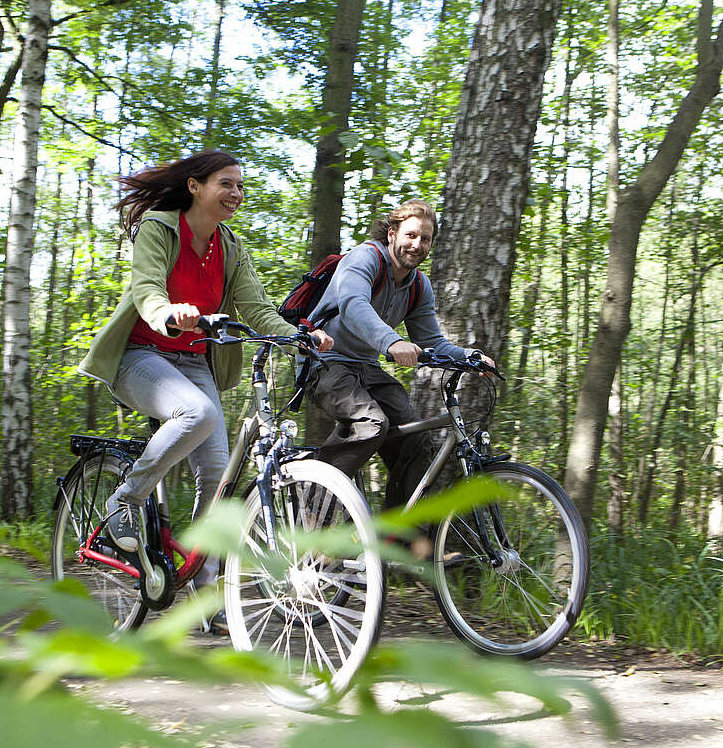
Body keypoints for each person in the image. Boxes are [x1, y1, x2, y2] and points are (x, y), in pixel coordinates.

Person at [78, 150, 332, 569]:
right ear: (195, 186)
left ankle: (203, 589)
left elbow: (259, 309)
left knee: (218, 477)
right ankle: (124, 500)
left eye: (240, 186)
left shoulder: (230, 247)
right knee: (197, 414)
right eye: (226, 184)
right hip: (140, 355)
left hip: (195, 364)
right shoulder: (159, 229)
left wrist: (298, 336)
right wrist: (168, 313)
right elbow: (146, 288)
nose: (236, 193)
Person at [304, 199, 493, 513]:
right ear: (392, 234)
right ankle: (314, 509)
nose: (417, 245)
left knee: (417, 441)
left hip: (364, 367)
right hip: (324, 361)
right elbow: (354, 306)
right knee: (370, 423)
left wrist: (468, 356)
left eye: (426, 239)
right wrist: (391, 342)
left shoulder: (418, 286)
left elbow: (431, 342)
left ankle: (399, 545)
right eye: (411, 235)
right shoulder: (364, 258)